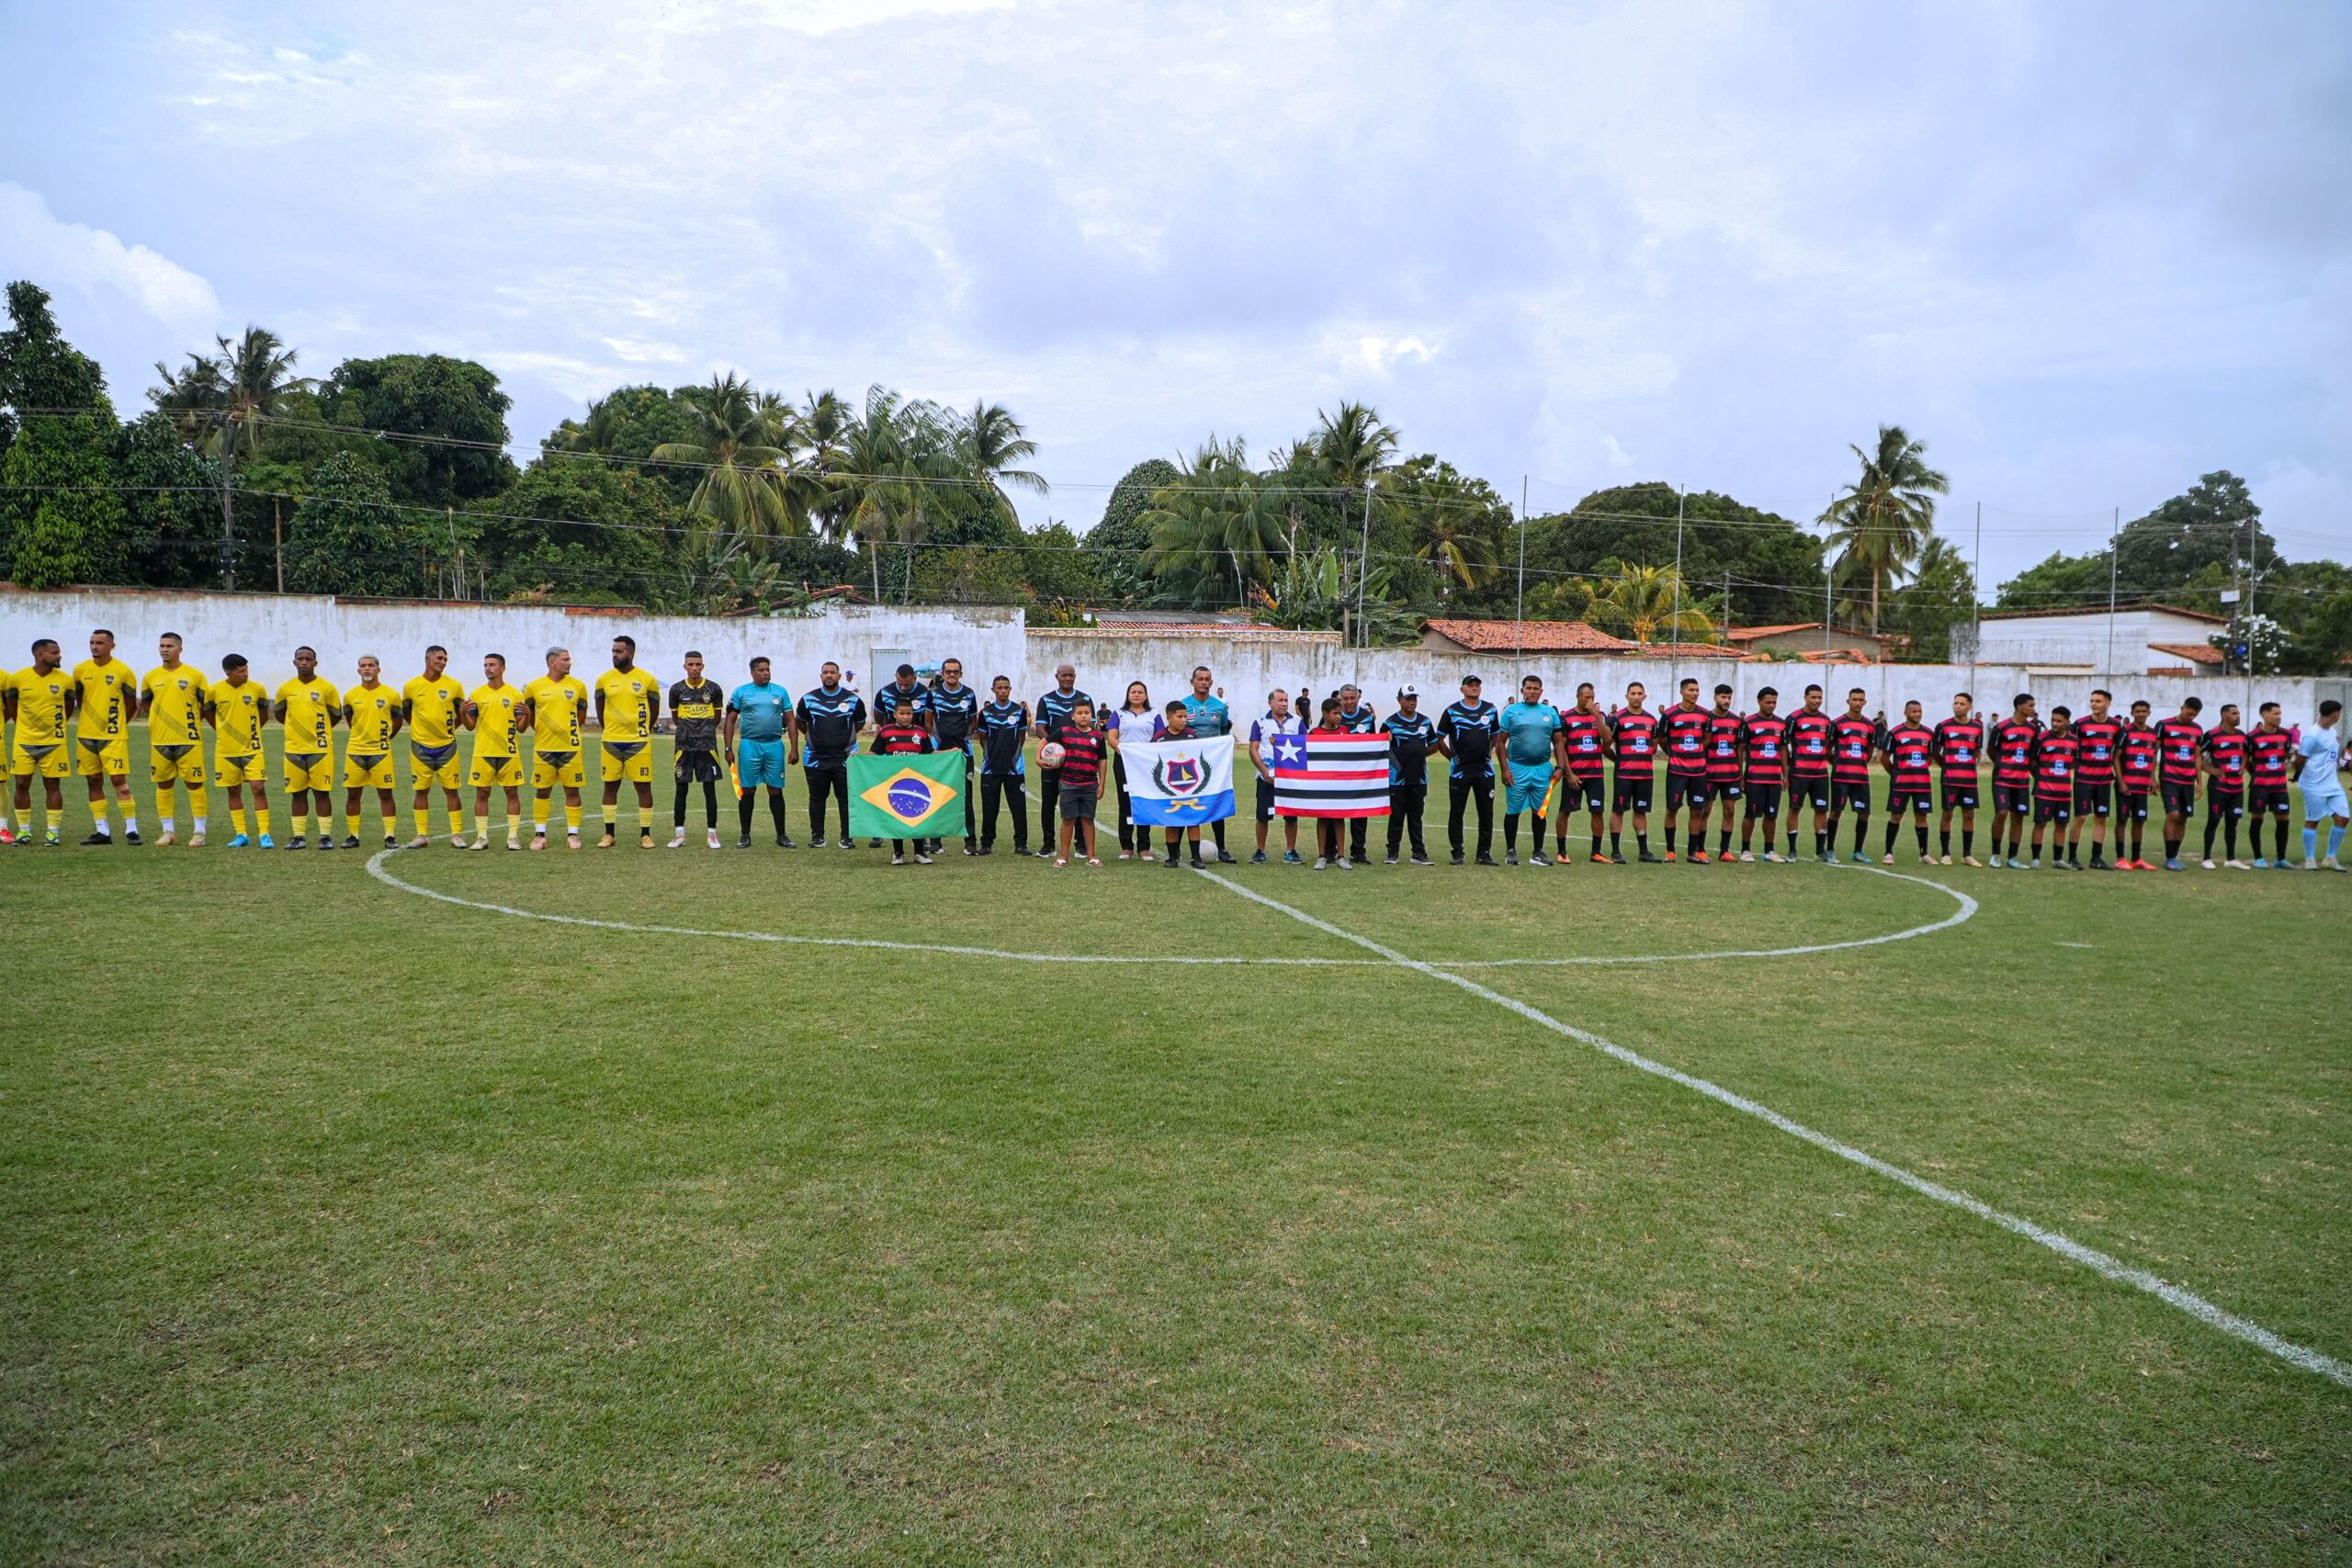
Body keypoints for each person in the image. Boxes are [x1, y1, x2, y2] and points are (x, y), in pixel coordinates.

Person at [138, 632, 209, 847]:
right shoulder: (150, 677)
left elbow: (204, 706)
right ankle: (168, 831)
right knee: (163, 785)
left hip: (189, 741)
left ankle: (199, 832)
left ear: (180, 649)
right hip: (159, 741)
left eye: (169, 645)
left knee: (194, 785)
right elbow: (147, 704)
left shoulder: (195, 675)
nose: (164, 649)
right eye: (161, 645)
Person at [593, 635, 662, 850]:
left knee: (643, 788)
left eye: (619, 651)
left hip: (638, 743)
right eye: (613, 651)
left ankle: (645, 834)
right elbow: (600, 710)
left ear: (630, 653)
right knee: (610, 787)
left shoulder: (647, 679)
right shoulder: (603, 680)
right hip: (611, 742)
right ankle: (609, 834)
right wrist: (612, 731)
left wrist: (642, 732)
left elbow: (654, 711)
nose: (615, 655)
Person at [73, 628, 140, 845]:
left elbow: (131, 706)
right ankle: (102, 831)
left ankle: (131, 830)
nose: (94, 647)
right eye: (92, 642)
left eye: (100, 643)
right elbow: (80, 700)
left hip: (113, 737)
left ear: (112, 645)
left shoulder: (123, 672)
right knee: (93, 781)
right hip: (86, 736)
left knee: (118, 780)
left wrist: (117, 725)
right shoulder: (80, 670)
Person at [521, 647, 590, 851]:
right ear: (552, 662)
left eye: (569, 659)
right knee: (542, 791)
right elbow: (531, 718)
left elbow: (581, 718)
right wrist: (546, 732)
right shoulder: (534, 687)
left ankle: (573, 835)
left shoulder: (578, 686)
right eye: (565, 660)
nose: (569, 663)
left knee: (572, 791)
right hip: (543, 748)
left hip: (571, 749)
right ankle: (540, 835)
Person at [401, 645, 469, 850]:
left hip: (447, 748)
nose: (443, 662)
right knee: (421, 792)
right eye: (439, 658)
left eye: (445, 659)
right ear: (428, 658)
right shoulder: (411, 686)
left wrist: (448, 730)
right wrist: (420, 730)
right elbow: (407, 714)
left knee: (452, 791)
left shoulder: (454, 686)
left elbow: (460, 715)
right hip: (420, 748)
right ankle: (421, 834)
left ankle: (456, 834)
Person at [275, 645, 341, 851]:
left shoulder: (327, 688)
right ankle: (298, 836)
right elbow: (279, 713)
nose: (304, 662)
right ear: (294, 662)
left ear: (315, 663)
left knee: (322, 793)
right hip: (294, 749)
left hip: (320, 750)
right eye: (300, 659)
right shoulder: (285, 689)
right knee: (298, 794)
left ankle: (325, 836)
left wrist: (318, 732)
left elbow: (336, 715)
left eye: (308, 659)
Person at [6, 638, 71, 847]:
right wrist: (26, 727)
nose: (59, 656)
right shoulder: (17, 679)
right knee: (21, 784)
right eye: (55, 652)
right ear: (40, 655)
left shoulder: (65, 680)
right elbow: (11, 705)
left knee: (52, 785)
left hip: (54, 743)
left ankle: (53, 832)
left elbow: (69, 707)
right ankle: (24, 832)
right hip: (24, 743)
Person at [726, 657, 796, 849]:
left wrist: (794, 748)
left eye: (767, 669)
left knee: (775, 789)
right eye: (761, 670)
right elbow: (730, 721)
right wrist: (728, 747)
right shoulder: (741, 692)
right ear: (753, 672)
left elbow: (790, 720)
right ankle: (745, 835)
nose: (766, 673)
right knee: (748, 789)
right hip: (750, 746)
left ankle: (781, 835)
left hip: (774, 746)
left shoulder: (780, 692)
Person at [796, 661, 865, 849]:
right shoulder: (808, 699)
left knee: (845, 798)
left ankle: (847, 837)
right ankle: (817, 837)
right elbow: (801, 723)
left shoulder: (853, 700)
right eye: (825, 672)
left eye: (832, 672)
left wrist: (843, 740)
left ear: (839, 676)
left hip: (845, 757)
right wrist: (816, 739)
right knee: (817, 798)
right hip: (816, 758)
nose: (829, 675)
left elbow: (858, 724)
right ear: (821, 676)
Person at [206, 654, 272, 848]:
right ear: (229, 673)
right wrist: (223, 732)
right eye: (241, 671)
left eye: (247, 669)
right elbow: (209, 714)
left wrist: (250, 733)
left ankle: (264, 834)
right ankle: (241, 834)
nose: (246, 674)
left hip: (252, 749)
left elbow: (263, 715)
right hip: (226, 751)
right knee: (233, 791)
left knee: (258, 788)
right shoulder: (214, 691)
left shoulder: (257, 689)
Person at [1497, 674, 1563, 866]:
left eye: (1535, 689)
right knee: (1513, 810)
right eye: (1528, 688)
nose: (1532, 692)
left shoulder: (1550, 712)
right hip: (1517, 769)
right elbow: (1501, 743)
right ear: (1522, 691)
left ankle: (1538, 852)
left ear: (1541, 692)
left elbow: (1558, 741)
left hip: (1543, 769)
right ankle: (1510, 850)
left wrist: (1560, 767)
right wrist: (1505, 769)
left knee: (1540, 811)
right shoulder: (1512, 712)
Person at [340, 654, 403, 850]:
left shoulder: (391, 695)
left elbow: (398, 721)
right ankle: (353, 835)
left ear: (378, 669)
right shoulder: (350, 695)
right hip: (355, 751)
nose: (367, 669)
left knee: (386, 794)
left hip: (381, 752)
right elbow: (351, 721)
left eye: (371, 665)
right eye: (363, 666)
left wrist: (383, 739)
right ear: (358, 670)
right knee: (353, 795)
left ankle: (390, 836)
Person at [465, 653, 526, 851]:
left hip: (509, 752)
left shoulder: (515, 694)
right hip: (483, 752)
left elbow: (522, 728)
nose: (488, 668)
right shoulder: (476, 694)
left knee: (512, 792)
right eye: (485, 665)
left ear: (502, 668)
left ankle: (513, 837)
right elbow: (469, 726)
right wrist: (461, 713)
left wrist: (528, 714)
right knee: (482, 793)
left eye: (492, 665)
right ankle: (482, 837)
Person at [1436, 675, 1498, 865]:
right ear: (1462, 689)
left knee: (1486, 813)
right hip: (1460, 771)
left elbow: (1495, 736)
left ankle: (1483, 853)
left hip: (1485, 771)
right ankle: (1457, 853)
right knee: (1457, 813)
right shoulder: (1452, 711)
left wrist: (1487, 752)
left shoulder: (1490, 709)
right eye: (1470, 685)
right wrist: (1452, 759)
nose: (1474, 688)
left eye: (1477, 685)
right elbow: (1439, 739)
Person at [667, 650, 726, 849]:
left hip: (707, 746)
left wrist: (703, 730)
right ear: (684, 666)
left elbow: (717, 718)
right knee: (681, 789)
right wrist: (688, 730)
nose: (694, 668)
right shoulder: (676, 689)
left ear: (703, 666)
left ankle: (712, 835)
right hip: (683, 746)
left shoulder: (714, 689)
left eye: (698, 664)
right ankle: (679, 834)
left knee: (709, 789)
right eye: (690, 664)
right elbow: (676, 719)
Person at [1034, 662, 1092, 858]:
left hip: (1078, 760)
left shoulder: (1084, 699)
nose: (1067, 678)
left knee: (1077, 801)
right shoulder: (1046, 700)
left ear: (1075, 677)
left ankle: (1081, 845)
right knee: (1049, 802)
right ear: (1056, 676)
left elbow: (1089, 726)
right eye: (1063, 675)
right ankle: (1048, 844)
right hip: (1053, 760)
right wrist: (1051, 748)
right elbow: (1041, 728)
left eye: (1070, 675)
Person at [1183, 666, 1239, 863]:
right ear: (1192, 681)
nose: (1204, 682)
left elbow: (1224, 731)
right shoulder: (1183, 705)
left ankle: (1222, 849)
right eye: (1200, 679)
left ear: (1211, 682)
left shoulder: (1219, 706)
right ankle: (1186, 852)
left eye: (1207, 679)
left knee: (1216, 802)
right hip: (1189, 765)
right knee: (1188, 803)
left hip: (1214, 763)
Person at [870, 701, 936, 864]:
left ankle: (920, 852)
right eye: (902, 713)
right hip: (895, 783)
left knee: (918, 814)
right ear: (894, 714)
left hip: (916, 783)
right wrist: (859, 758)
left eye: (909, 713)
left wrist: (950, 753)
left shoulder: (920, 732)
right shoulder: (886, 732)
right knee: (896, 815)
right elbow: (875, 752)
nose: (906, 717)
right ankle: (898, 852)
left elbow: (931, 754)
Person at [2067, 688, 2125, 869]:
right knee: (2081, 818)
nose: (2094, 704)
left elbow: (2118, 752)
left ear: (2108, 703)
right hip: (2084, 779)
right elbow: (2069, 747)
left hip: (2104, 779)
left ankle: (2096, 859)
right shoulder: (2080, 725)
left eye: (2098, 701)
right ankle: (2072, 857)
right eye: (2092, 701)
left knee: (2101, 818)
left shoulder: (2116, 726)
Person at [1248, 687, 1304, 863]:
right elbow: (1253, 748)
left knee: (1291, 815)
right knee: (1263, 816)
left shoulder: (1297, 722)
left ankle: (1291, 851)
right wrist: (1264, 771)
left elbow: (1305, 747)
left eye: (1286, 700)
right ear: (1270, 702)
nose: (1284, 704)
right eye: (1280, 700)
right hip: (1266, 776)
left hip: (1290, 778)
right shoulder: (1260, 722)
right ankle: (1260, 851)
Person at [932, 658, 981, 854]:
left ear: (961, 673)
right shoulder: (934, 695)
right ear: (942, 674)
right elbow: (929, 722)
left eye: (956, 672)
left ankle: (970, 842)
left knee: (966, 797)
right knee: (937, 795)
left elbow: (973, 722)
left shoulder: (969, 694)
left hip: (964, 753)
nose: (952, 675)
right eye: (948, 671)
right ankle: (935, 841)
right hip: (940, 754)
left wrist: (961, 740)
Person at [1382, 683, 1435, 865]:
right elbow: (1383, 749)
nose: (1412, 702)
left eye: (1414, 699)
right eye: (1408, 699)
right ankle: (1392, 852)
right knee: (1396, 817)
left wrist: (1418, 754)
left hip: (1419, 777)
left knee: (1416, 817)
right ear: (1399, 700)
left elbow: (1434, 745)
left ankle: (1418, 853)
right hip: (1397, 778)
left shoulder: (1425, 722)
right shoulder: (1389, 723)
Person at [1826, 687, 1881, 864]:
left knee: (1864, 813)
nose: (1857, 703)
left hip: (1860, 777)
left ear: (1865, 702)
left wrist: (1860, 761)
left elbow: (1870, 749)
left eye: (1860, 700)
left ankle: (1858, 851)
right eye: (1854, 699)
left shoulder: (1870, 726)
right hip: (1841, 777)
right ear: (1848, 701)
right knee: (1836, 812)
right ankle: (1830, 849)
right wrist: (1838, 763)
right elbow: (1828, 749)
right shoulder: (1837, 724)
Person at [977, 675, 1031, 855]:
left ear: (1010, 689)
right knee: (989, 807)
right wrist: (992, 755)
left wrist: (1013, 755)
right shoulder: (985, 713)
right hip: (990, 767)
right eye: (999, 688)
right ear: (993, 690)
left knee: (1018, 807)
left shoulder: (1018, 711)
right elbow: (982, 739)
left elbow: (1022, 736)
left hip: (1014, 768)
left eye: (1006, 688)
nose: (1002, 691)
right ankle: (986, 843)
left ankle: (1021, 844)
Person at [1556, 682, 1610, 863]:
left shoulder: (1599, 715)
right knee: (1565, 811)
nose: (1589, 700)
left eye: (1592, 697)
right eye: (1586, 697)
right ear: (1578, 696)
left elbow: (1608, 739)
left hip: (1595, 774)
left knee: (1597, 811)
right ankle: (1562, 851)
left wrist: (1596, 716)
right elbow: (1561, 747)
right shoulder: (1566, 717)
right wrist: (1568, 773)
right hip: (1575, 774)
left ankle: (1596, 852)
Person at [1659, 676, 1711, 862]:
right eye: (1691, 690)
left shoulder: (1705, 715)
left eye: (1697, 690)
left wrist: (1696, 752)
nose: (1695, 694)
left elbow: (1707, 739)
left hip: (1698, 772)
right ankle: (1670, 851)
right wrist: (1674, 754)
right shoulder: (1670, 715)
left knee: (1697, 810)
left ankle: (1692, 852)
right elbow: (1663, 740)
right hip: (1676, 771)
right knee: (1672, 809)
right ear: (1682, 692)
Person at [1986, 694, 2041, 869]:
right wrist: (2003, 765)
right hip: (2002, 779)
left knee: (2018, 817)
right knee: (2002, 813)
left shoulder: (2033, 729)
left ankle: (2013, 857)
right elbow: (1991, 750)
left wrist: (2036, 775)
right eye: (2030, 705)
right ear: (2019, 707)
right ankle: (1995, 854)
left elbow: (2032, 756)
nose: (2033, 708)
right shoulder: (2002, 727)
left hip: (2022, 781)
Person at [1931, 693, 1985, 866]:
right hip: (1950, 779)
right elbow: (1935, 752)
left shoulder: (1978, 727)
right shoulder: (1943, 726)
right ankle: (1945, 853)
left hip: (1969, 779)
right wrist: (1946, 766)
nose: (1958, 706)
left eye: (1962, 704)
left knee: (1969, 814)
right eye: (1955, 703)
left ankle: (1967, 854)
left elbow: (1977, 751)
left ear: (1970, 706)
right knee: (1948, 813)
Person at [1608, 682, 1659, 863]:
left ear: (1645, 696)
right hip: (1624, 774)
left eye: (1639, 693)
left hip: (1645, 774)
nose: (1636, 697)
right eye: (1633, 693)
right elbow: (1607, 742)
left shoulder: (1652, 720)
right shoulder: (1618, 718)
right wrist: (1618, 760)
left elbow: (1653, 745)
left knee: (1641, 811)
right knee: (1618, 810)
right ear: (1626, 696)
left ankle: (1644, 851)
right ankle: (1615, 851)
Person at [1051, 698, 1105, 867]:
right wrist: (1039, 759)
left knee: (1088, 820)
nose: (1084, 716)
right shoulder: (1064, 732)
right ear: (1073, 716)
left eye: (1087, 713)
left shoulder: (1097, 736)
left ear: (1092, 716)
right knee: (1068, 820)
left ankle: (1092, 856)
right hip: (1068, 784)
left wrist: (1101, 784)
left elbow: (1102, 760)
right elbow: (1045, 743)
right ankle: (1063, 856)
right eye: (1080, 713)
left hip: (1089, 785)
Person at [1152, 700, 1207, 868]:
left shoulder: (1191, 735)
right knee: (1171, 820)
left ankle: (1196, 857)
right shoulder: (1159, 738)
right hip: (1170, 787)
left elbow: (1201, 755)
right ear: (1169, 717)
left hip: (1191, 785)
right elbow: (1149, 759)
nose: (1184, 720)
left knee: (1193, 819)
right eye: (1179, 716)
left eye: (1185, 716)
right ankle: (1172, 856)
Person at [1107, 680, 1158, 859]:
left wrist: (1143, 754)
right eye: (1133, 692)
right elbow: (1111, 736)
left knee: (1144, 801)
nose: (1136, 694)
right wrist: (1124, 751)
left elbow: (1158, 738)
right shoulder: (1118, 714)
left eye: (1140, 692)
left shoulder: (1154, 715)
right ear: (1128, 695)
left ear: (1145, 695)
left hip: (1146, 764)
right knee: (1126, 802)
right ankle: (1126, 846)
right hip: (1123, 762)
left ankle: (1144, 846)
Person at [1880, 699, 1935, 863]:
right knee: (1896, 816)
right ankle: (1888, 853)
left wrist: (1919, 769)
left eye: (1919, 711)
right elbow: (1884, 758)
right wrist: (1896, 774)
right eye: (1913, 711)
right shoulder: (1895, 733)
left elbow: (1930, 756)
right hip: (1901, 784)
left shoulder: (1928, 734)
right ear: (1906, 713)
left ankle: (1924, 854)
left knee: (1922, 817)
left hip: (1922, 784)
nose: (1917, 714)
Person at [1783, 684, 1834, 862]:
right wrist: (1789, 767)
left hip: (1820, 774)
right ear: (1805, 697)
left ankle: (1820, 852)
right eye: (1813, 697)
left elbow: (1827, 745)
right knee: (1795, 808)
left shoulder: (1826, 721)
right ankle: (1792, 851)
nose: (1817, 701)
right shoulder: (1793, 719)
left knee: (1821, 810)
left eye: (1820, 698)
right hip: (1799, 773)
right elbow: (1784, 744)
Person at [2297, 699, 2348, 870]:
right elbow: (2301, 758)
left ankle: (2330, 858)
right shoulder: (2312, 734)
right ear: (2334, 714)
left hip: (2332, 785)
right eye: (2339, 713)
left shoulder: (2332, 731)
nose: (2339, 716)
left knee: (2343, 818)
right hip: (2314, 785)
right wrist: (2299, 777)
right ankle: (2310, 859)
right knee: (2313, 821)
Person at [2155, 695, 2204, 871]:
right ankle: (2169, 858)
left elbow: (2198, 756)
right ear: (2182, 708)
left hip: (2187, 780)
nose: (2190, 718)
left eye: (2194, 715)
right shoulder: (2164, 725)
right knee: (2173, 815)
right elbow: (2154, 751)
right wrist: (2152, 777)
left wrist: (2199, 782)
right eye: (2188, 713)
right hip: (2169, 778)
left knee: (2183, 818)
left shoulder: (2197, 730)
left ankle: (2174, 856)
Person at [2027, 705, 2079, 869]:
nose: (2055, 724)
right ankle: (2035, 858)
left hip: (2064, 792)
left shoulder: (2074, 741)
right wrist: (2040, 776)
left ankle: (2057, 859)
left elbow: (2075, 761)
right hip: (2044, 790)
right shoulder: (2041, 738)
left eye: (2059, 721)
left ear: (2067, 722)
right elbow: (2032, 760)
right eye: (2053, 720)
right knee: (2041, 823)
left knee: (2061, 824)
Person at [2199, 703, 2250, 869]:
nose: (2238, 716)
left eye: (2239, 713)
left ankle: (2230, 859)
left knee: (2233, 821)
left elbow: (2245, 752)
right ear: (2224, 716)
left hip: (2237, 787)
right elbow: (2197, 754)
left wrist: (2243, 765)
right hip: (2219, 785)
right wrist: (2209, 769)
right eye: (2234, 713)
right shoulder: (2212, 735)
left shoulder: (2242, 736)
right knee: (2214, 820)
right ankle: (2207, 858)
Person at [1739, 687, 1788, 863]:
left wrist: (1785, 774)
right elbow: (1741, 749)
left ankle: (1769, 850)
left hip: (1774, 778)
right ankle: (1746, 850)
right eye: (1768, 702)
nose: (1771, 705)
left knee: (1771, 815)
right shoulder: (1749, 723)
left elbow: (1783, 749)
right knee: (1751, 814)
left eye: (1774, 702)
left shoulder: (1781, 724)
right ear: (1759, 702)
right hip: (1754, 778)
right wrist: (1741, 776)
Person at [2245, 702, 2296, 868]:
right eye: (2275, 714)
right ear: (2264, 715)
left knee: (2283, 818)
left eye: (2280, 713)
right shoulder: (2252, 737)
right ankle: (2258, 858)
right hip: (2260, 786)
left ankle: (2280, 859)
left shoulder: (2286, 735)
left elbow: (2285, 755)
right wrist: (2256, 774)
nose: (2279, 717)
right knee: (2257, 818)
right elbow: (2247, 760)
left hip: (2280, 786)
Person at [1334, 683, 1379, 862]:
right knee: (1334, 812)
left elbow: (1375, 742)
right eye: (1346, 699)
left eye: (1353, 698)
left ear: (1358, 698)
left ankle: (1358, 851)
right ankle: (1331, 850)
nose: (1349, 702)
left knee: (1360, 812)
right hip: (1338, 774)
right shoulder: (1334, 716)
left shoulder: (1367, 717)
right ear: (1340, 699)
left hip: (1361, 774)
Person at [2115, 698, 2160, 869]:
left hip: (2142, 786)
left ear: (2149, 713)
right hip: (2126, 784)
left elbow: (2153, 757)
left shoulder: (2152, 733)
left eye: (2144, 711)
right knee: (2122, 820)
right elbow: (2116, 758)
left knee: (2139, 820)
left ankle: (2136, 859)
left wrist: (2152, 777)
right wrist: (2121, 781)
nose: (2140, 714)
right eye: (2137, 711)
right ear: (2132, 713)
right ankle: (2120, 858)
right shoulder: (2125, 731)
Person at [1702, 684, 1744, 863]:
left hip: (1731, 775)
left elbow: (1740, 749)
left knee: (1730, 811)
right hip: (1710, 774)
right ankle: (1700, 849)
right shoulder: (1706, 719)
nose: (1726, 701)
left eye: (1729, 698)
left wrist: (1740, 775)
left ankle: (1724, 850)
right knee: (1705, 811)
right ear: (1715, 698)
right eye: (1723, 697)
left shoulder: (1737, 722)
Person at [1307, 695, 1351, 869]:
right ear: (1325, 714)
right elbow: (1306, 754)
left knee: (1339, 818)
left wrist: (1384, 740)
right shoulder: (1315, 733)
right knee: (1323, 818)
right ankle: (1322, 856)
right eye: (1335, 713)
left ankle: (1341, 856)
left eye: (1340, 713)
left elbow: (1356, 751)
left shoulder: (1345, 731)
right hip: (1321, 783)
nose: (1339, 716)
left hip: (1340, 782)